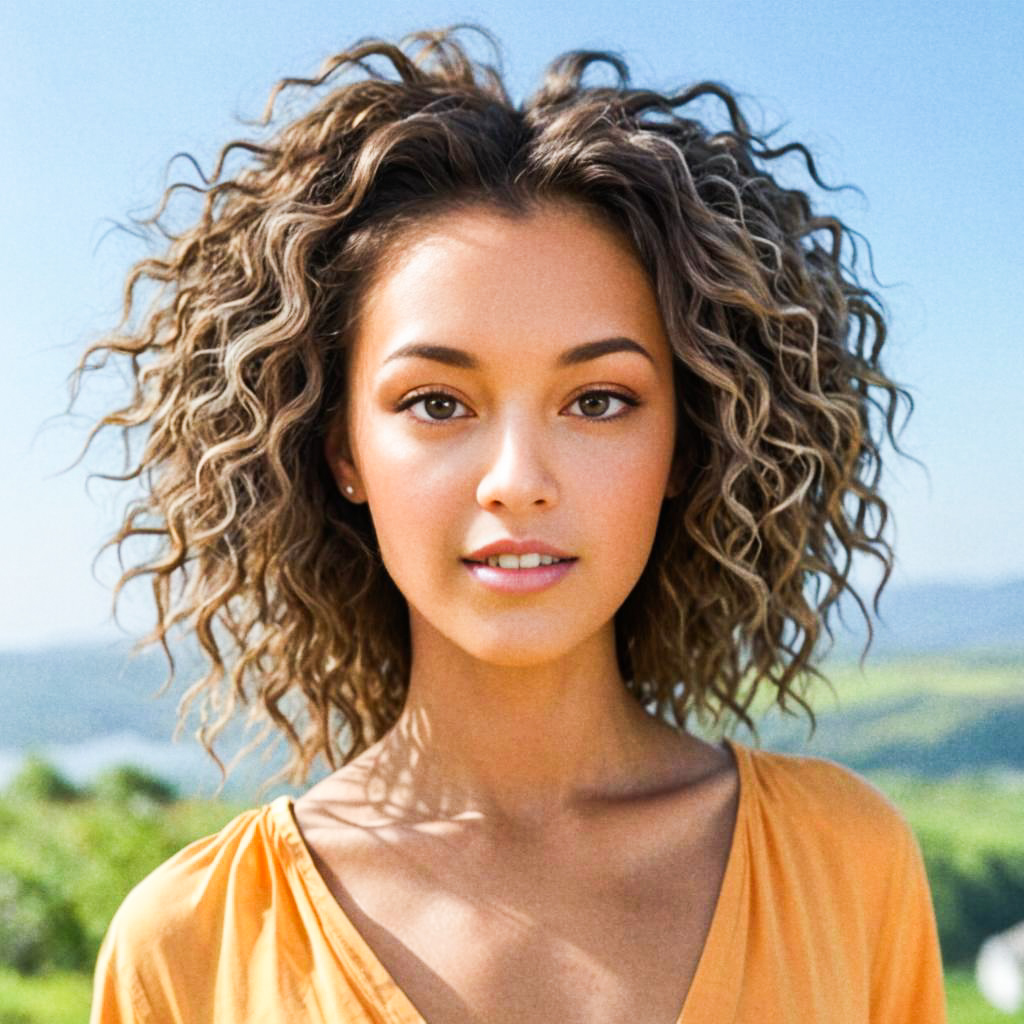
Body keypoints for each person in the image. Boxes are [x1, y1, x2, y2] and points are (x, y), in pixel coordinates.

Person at [83, 25, 946, 1023]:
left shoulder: (842, 863)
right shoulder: (193, 946)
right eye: (437, 403)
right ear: (341, 453)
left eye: (599, 400)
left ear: (688, 443)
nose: (518, 480)